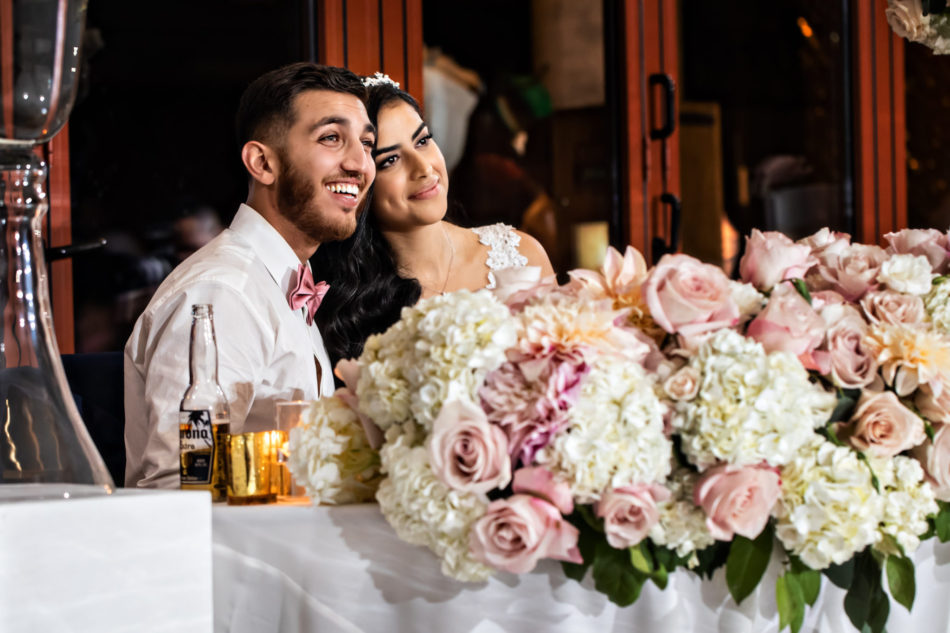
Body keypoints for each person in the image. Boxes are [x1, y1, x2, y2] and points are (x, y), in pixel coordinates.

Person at [124, 62, 376, 489]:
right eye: (331, 138)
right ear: (262, 162)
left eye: (367, 144)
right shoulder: (223, 294)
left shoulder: (282, 281)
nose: (360, 164)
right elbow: (180, 484)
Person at [313, 75, 554, 369]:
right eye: (390, 160)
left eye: (423, 141)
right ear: (359, 181)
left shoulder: (522, 257)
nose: (424, 168)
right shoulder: (347, 308)